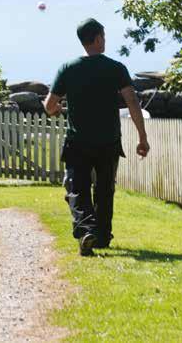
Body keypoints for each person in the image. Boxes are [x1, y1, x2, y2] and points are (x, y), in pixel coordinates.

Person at [43, 18, 150, 256]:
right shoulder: (116, 68)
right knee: (104, 190)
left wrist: (58, 110)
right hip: (108, 142)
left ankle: (86, 230)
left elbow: (50, 106)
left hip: (78, 142)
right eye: (104, 36)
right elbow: (132, 102)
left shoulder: (68, 68)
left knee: (77, 189)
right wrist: (142, 137)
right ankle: (100, 236)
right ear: (99, 38)